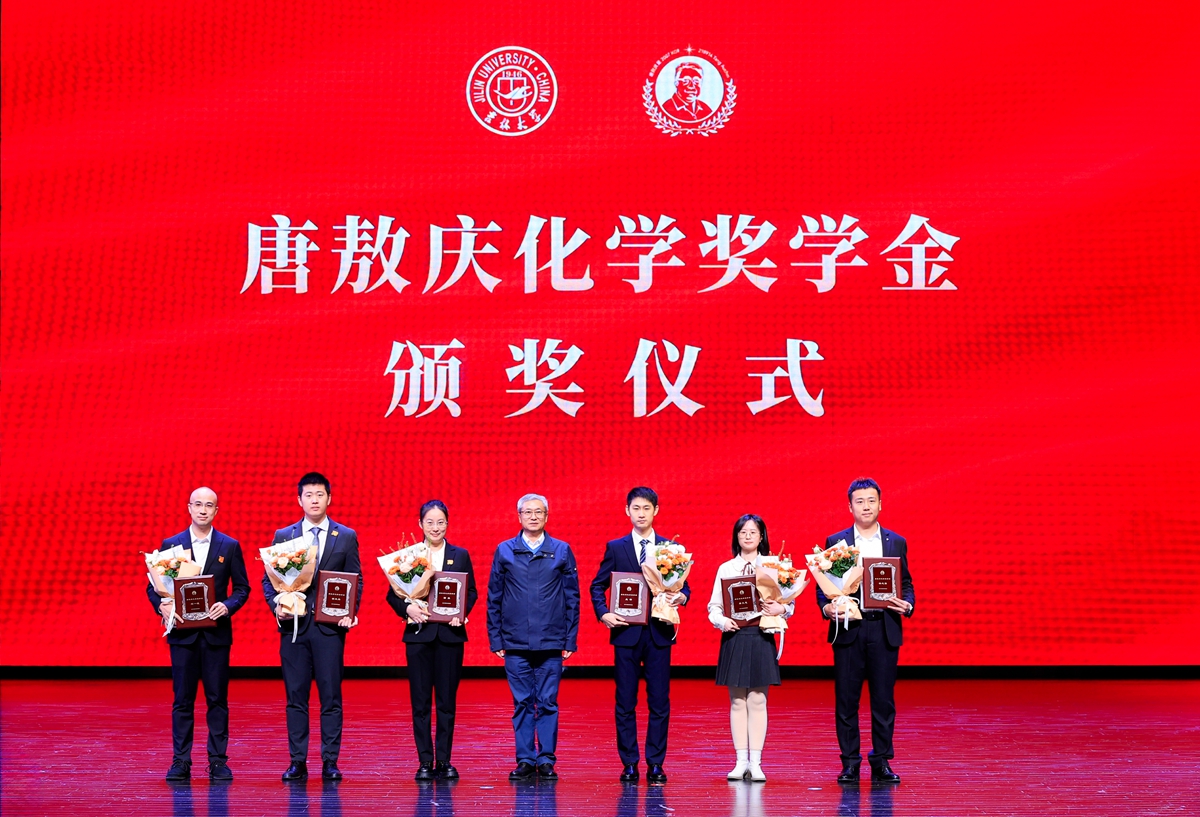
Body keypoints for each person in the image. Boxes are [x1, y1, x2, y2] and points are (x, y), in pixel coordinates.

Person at [262, 472, 363, 782]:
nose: (315, 500)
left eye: (320, 494)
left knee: (331, 696)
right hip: (293, 628)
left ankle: (330, 761)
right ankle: (297, 761)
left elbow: (355, 580)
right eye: (309, 495)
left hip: (329, 629)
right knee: (296, 697)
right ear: (299, 500)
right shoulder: (284, 535)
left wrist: (350, 612)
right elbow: (268, 580)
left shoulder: (346, 536)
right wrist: (277, 606)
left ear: (329, 498)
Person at [815, 478, 915, 784]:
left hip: (884, 628)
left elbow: (906, 583)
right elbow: (824, 586)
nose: (866, 506)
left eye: (871, 500)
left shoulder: (896, 541)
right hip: (850, 629)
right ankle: (850, 762)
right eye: (860, 501)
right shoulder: (838, 541)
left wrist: (908, 604)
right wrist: (827, 608)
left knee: (883, 700)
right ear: (850, 507)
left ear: (880, 504)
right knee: (847, 700)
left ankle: (881, 760)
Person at [147, 487, 250, 781]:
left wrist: (227, 606)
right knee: (182, 699)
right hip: (183, 634)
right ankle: (181, 761)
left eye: (209, 505)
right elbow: (154, 587)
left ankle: (218, 761)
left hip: (216, 635)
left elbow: (242, 588)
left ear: (216, 511)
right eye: (198, 504)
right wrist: (162, 606)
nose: (203, 510)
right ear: (189, 508)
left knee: (217, 699)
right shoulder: (172, 545)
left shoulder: (229, 546)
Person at [589, 486, 689, 783]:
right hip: (626, 633)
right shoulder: (616, 547)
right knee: (625, 701)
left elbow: (684, 586)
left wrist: (682, 596)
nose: (641, 513)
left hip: (659, 633)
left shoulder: (670, 547)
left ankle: (656, 763)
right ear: (627, 511)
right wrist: (603, 613)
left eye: (647, 508)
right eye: (636, 508)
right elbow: (597, 585)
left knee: (659, 701)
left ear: (655, 510)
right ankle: (629, 762)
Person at [487, 493, 581, 781]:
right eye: (527, 512)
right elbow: (494, 597)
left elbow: (572, 598)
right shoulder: (505, 550)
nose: (533, 517)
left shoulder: (561, 551)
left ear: (547, 516)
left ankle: (547, 759)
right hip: (515, 642)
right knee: (523, 703)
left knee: (548, 702)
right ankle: (526, 759)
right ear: (519, 516)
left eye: (539, 512)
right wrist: (496, 639)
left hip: (551, 642)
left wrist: (569, 639)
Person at [385, 500, 478, 781]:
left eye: (440, 522)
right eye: (430, 522)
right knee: (421, 702)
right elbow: (392, 595)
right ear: (420, 524)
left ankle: (445, 760)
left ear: (447, 524)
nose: (435, 528)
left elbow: (470, 592)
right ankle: (425, 761)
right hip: (419, 637)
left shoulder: (460, 555)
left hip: (450, 636)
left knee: (447, 702)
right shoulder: (409, 556)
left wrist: (460, 614)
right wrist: (408, 609)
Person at [707, 514, 791, 782]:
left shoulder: (772, 567)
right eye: (743, 532)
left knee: (758, 699)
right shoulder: (726, 568)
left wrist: (781, 609)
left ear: (761, 536)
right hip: (735, 636)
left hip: (761, 635)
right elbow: (714, 607)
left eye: (753, 532)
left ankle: (756, 763)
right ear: (736, 536)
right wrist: (722, 621)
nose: (747, 536)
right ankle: (740, 760)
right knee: (737, 701)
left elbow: (788, 604)